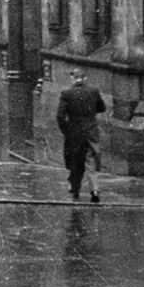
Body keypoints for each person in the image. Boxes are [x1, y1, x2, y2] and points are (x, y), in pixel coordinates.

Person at [57, 68, 106, 203]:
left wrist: (66, 131)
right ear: (85, 78)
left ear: (73, 79)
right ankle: (94, 190)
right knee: (91, 161)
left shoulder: (66, 93)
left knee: (75, 161)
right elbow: (102, 108)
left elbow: (60, 116)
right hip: (91, 132)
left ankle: (75, 188)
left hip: (74, 133)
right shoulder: (94, 91)